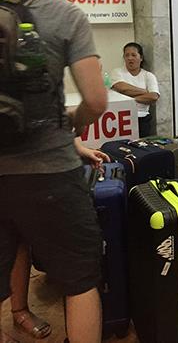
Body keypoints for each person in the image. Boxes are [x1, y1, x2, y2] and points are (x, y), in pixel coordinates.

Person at [0, 0, 107, 343]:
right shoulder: (64, 14)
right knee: (80, 279)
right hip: (50, 175)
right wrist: (68, 131)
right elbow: (96, 102)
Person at [9, 139, 109, 340]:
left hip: (30, 171)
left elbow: (54, 115)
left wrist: (78, 147)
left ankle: (19, 310)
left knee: (19, 240)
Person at [110, 42, 159, 138]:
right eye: (126, 55)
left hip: (142, 118)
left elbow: (153, 96)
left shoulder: (148, 76)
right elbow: (122, 88)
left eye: (133, 55)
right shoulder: (117, 72)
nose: (130, 58)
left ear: (141, 58)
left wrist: (130, 100)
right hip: (121, 119)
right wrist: (145, 92)